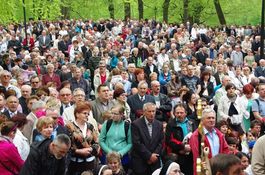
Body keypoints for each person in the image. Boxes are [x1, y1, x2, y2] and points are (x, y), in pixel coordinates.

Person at [190, 108, 229, 174]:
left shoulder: (219, 134)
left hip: (220, 170)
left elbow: (226, 150)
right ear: (202, 121)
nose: (211, 120)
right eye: (208, 118)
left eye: (213, 118)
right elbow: (199, 157)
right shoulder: (196, 136)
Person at [130, 103, 164, 175]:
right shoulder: (136, 124)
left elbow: (161, 141)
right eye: (149, 111)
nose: (152, 113)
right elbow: (136, 142)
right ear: (144, 112)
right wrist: (149, 156)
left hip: (154, 161)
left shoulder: (159, 124)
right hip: (140, 162)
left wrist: (154, 155)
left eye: (153, 111)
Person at [66, 102, 99, 174]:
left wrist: (90, 149)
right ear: (77, 114)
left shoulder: (90, 126)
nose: (87, 115)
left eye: (88, 114)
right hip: (75, 163)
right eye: (84, 113)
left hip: (90, 162)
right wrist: (78, 151)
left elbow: (96, 143)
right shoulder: (69, 127)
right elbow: (66, 146)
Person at [99, 104, 132, 170]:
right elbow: (101, 140)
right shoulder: (107, 123)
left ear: (121, 115)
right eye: (112, 113)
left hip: (122, 158)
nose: (113, 116)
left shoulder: (127, 125)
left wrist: (121, 153)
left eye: (115, 114)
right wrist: (109, 152)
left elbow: (130, 143)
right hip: (107, 156)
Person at [166, 103, 196, 175]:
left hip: (191, 155)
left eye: (181, 113)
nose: (179, 115)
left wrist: (190, 147)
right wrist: (182, 147)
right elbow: (169, 140)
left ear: (186, 113)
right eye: (177, 113)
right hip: (177, 155)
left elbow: (196, 137)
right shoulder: (170, 124)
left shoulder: (192, 122)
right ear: (174, 113)